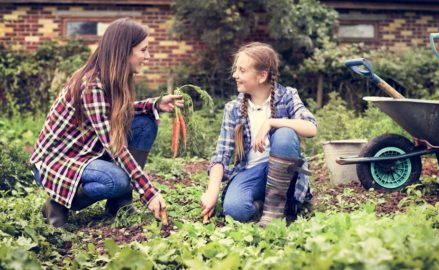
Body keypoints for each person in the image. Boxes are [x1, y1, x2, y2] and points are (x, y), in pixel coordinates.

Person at [30, 18, 183, 228]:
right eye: (143, 50)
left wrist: (154, 104)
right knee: (117, 180)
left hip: (86, 151)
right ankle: (58, 204)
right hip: (57, 161)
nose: (148, 56)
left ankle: (119, 203)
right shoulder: (91, 84)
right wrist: (149, 192)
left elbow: (115, 111)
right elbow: (114, 146)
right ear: (124, 51)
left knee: (145, 122)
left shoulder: (112, 78)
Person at [201, 42, 318, 227]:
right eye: (236, 70)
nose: (235, 75)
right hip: (252, 172)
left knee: (285, 134)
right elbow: (221, 154)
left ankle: (275, 211)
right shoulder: (233, 109)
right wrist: (212, 190)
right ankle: (269, 205)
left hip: (285, 170)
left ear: (262, 75)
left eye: (242, 70)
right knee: (234, 210)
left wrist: (271, 122)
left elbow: (311, 128)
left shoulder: (287, 96)